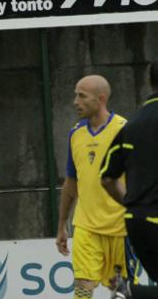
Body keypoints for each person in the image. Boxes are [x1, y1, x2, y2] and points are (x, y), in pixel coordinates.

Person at [56, 75, 129, 299]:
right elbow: (71, 182)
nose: (75, 101)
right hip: (86, 226)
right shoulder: (75, 134)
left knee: (120, 292)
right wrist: (62, 225)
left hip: (120, 228)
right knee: (82, 290)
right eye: (75, 95)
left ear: (101, 99)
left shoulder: (124, 130)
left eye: (81, 96)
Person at [101, 62, 158, 299]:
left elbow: (107, 178)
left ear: (148, 82)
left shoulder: (130, 126)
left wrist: (133, 203)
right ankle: (132, 294)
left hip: (135, 221)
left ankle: (130, 293)